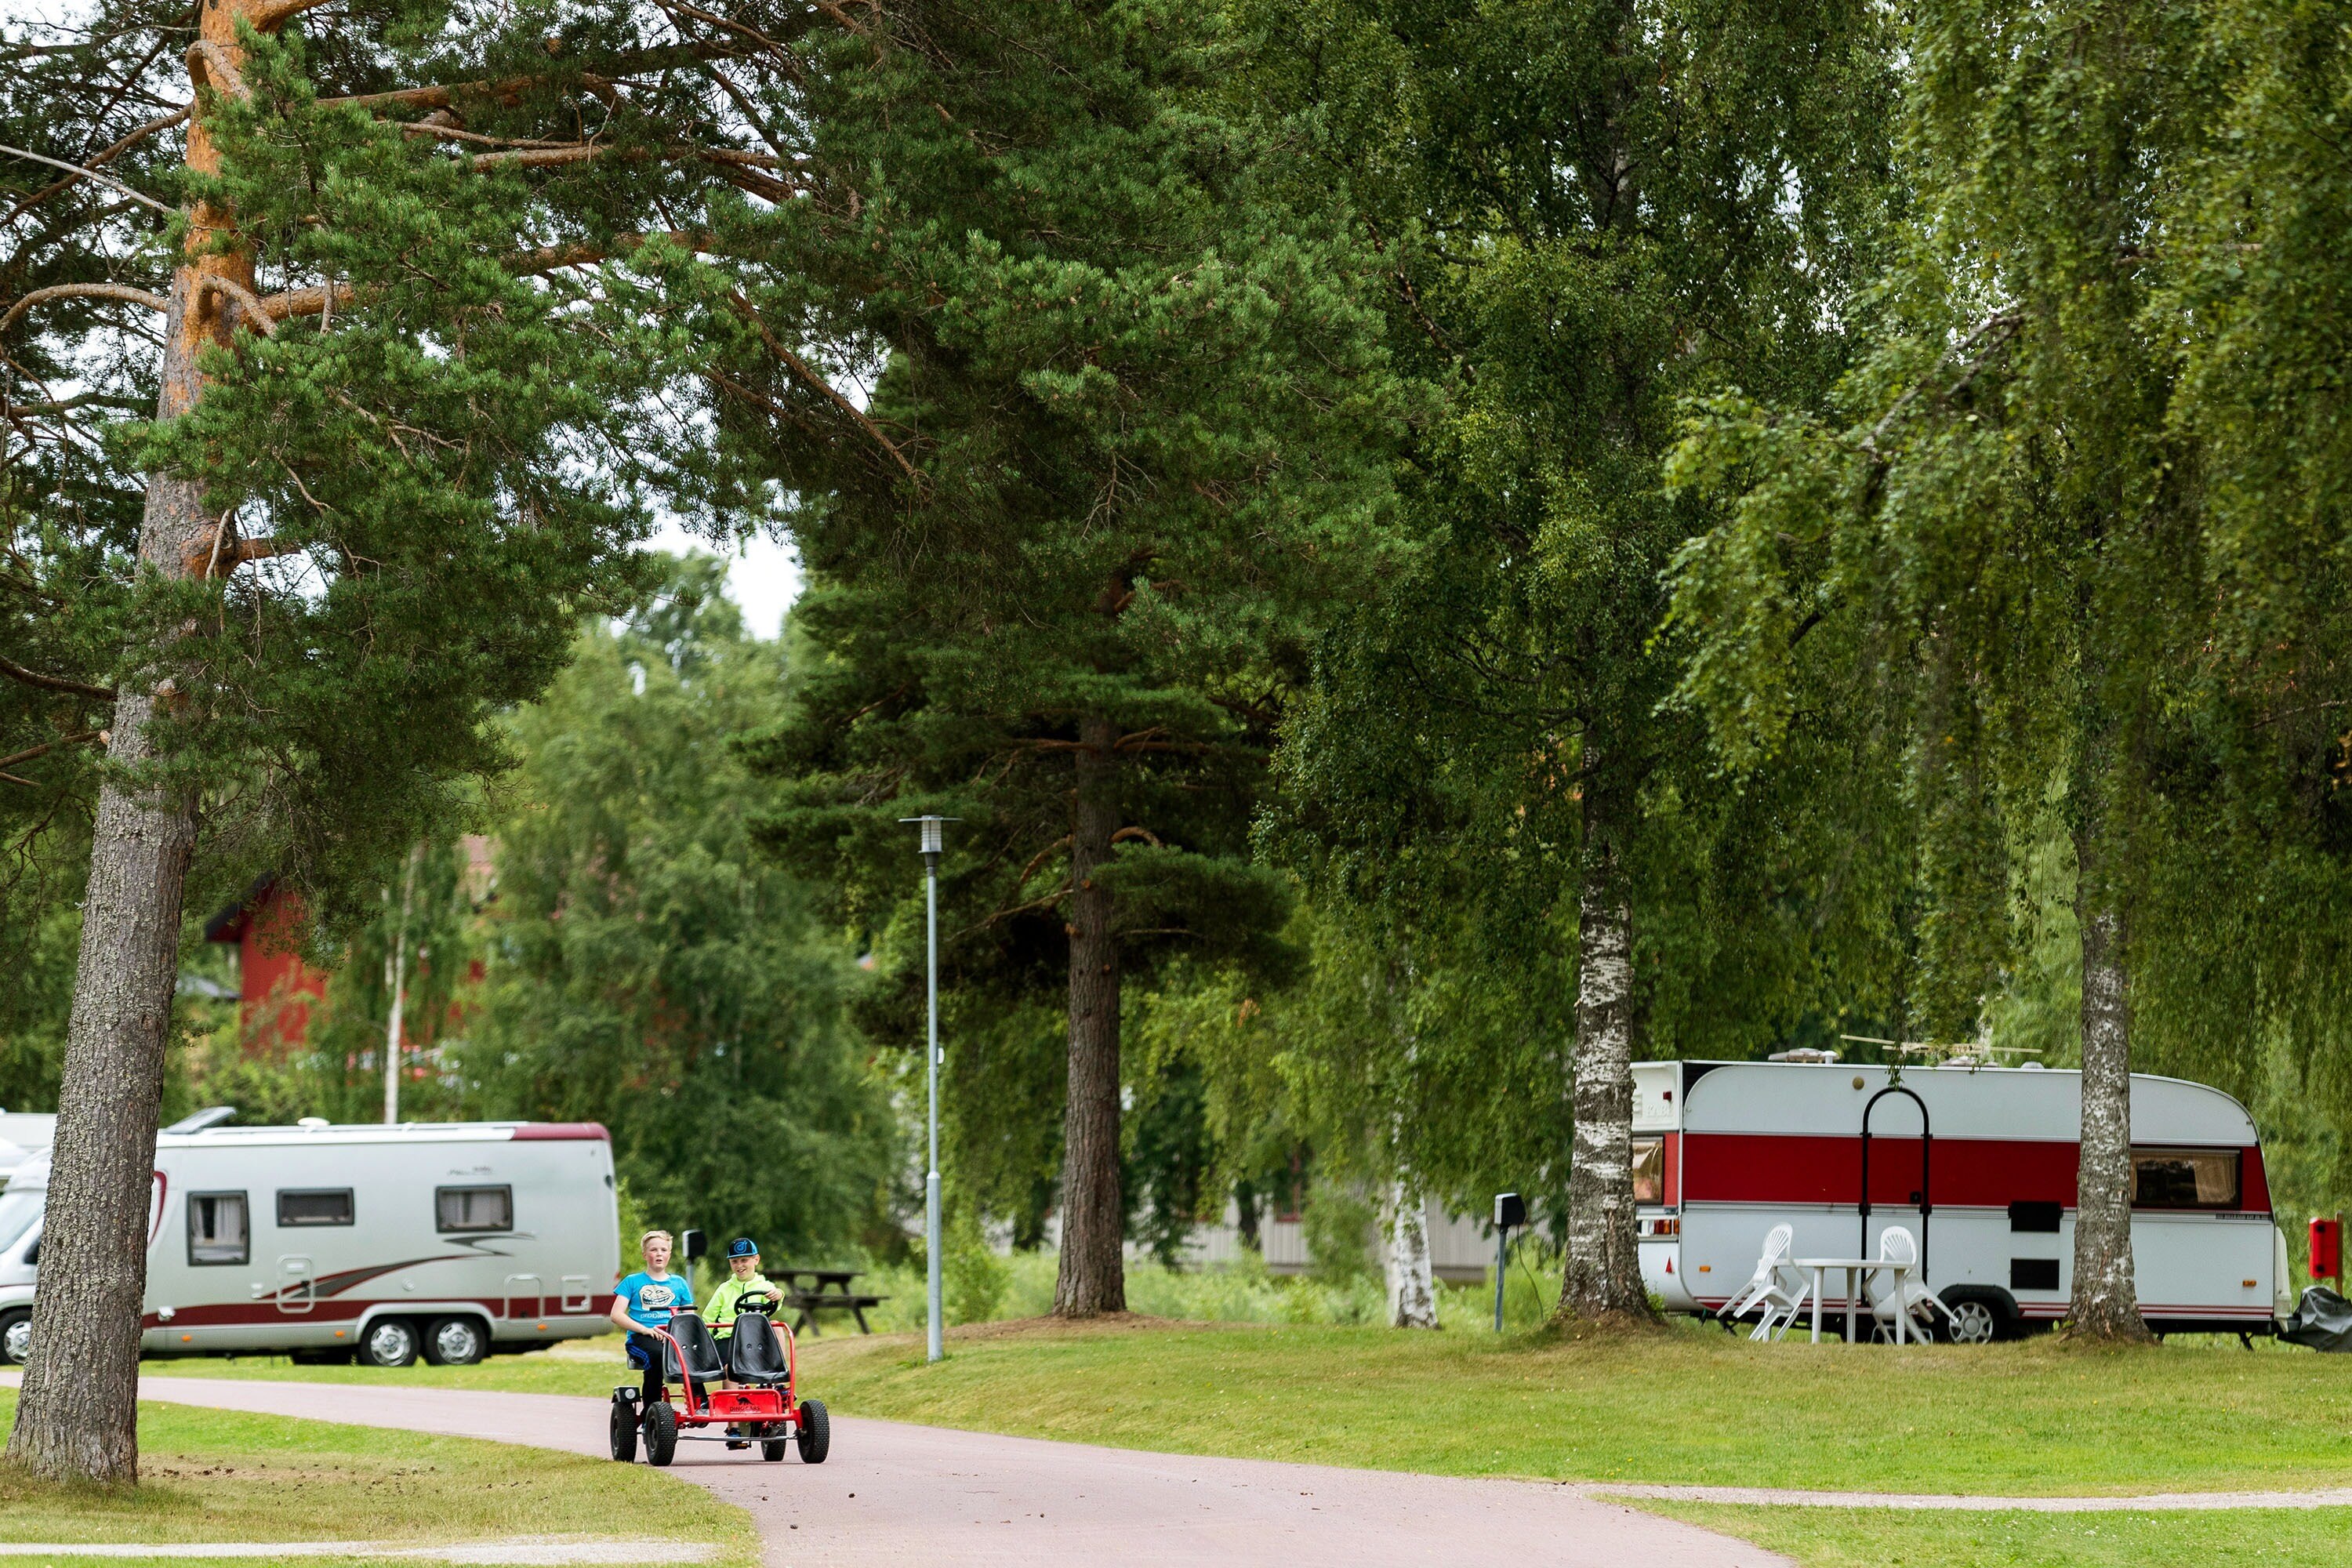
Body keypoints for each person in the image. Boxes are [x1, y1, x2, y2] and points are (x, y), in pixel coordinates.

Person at [705, 1237, 786, 1448]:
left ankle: (779, 1382)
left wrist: (778, 1295)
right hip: (728, 1337)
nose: (740, 1266)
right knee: (730, 1367)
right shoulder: (724, 1289)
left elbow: (775, 1302)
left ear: (756, 1260)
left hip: (755, 1340)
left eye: (744, 1260)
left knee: (777, 1327)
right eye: (735, 1262)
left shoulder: (764, 1286)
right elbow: (707, 1317)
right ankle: (733, 1427)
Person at [610, 1229, 696, 1409]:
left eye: (663, 1250)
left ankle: (700, 1401)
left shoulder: (679, 1283)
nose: (659, 1254)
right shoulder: (632, 1281)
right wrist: (645, 1330)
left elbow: (690, 1317)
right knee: (657, 1356)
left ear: (669, 1254)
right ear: (645, 1254)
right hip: (641, 1337)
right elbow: (616, 1315)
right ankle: (653, 1409)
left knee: (694, 1352)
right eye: (653, 1250)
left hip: (671, 1337)